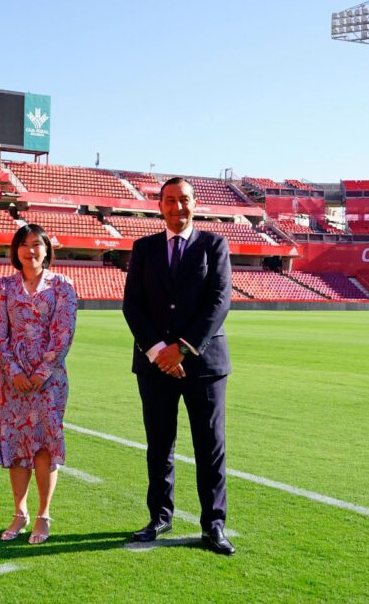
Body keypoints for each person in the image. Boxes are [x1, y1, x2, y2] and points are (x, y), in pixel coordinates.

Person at [122, 177, 235, 556]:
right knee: (159, 445)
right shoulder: (144, 248)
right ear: (159, 206)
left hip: (203, 365)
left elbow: (219, 301)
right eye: (170, 201)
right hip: (155, 366)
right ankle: (160, 516)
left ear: (195, 203)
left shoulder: (214, 245)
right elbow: (132, 305)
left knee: (210, 447)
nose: (177, 207)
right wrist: (158, 351)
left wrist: (183, 349)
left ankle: (213, 525)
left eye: (183, 200)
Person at [0, 224, 77, 545]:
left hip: (49, 383)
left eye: (37, 244)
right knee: (16, 444)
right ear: (16, 250)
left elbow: (63, 334)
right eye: (23, 245)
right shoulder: (4, 287)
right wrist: (14, 371)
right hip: (11, 381)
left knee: (43, 444)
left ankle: (43, 514)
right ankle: (19, 511)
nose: (30, 250)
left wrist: (40, 373)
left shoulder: (62, 286)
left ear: (47, 249)